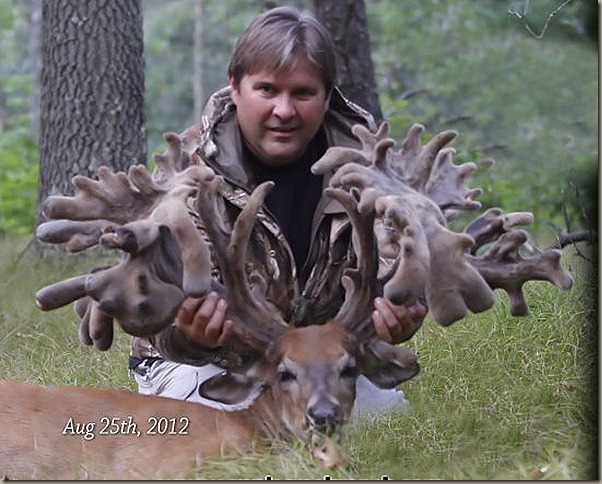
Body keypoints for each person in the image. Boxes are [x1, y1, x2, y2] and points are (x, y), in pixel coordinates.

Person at [129, 5, 427, 417]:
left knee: (388, 422)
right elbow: (151, 308)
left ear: (327, 96)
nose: (284, 111)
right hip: (204, 365)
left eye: (303, 93)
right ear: (235, 87)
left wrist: (400, 314)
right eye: (267, 90)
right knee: (212, 440)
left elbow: (399, 274)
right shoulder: (187, 175)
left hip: (321, 362)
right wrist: (189, 332)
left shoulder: (370, 173)